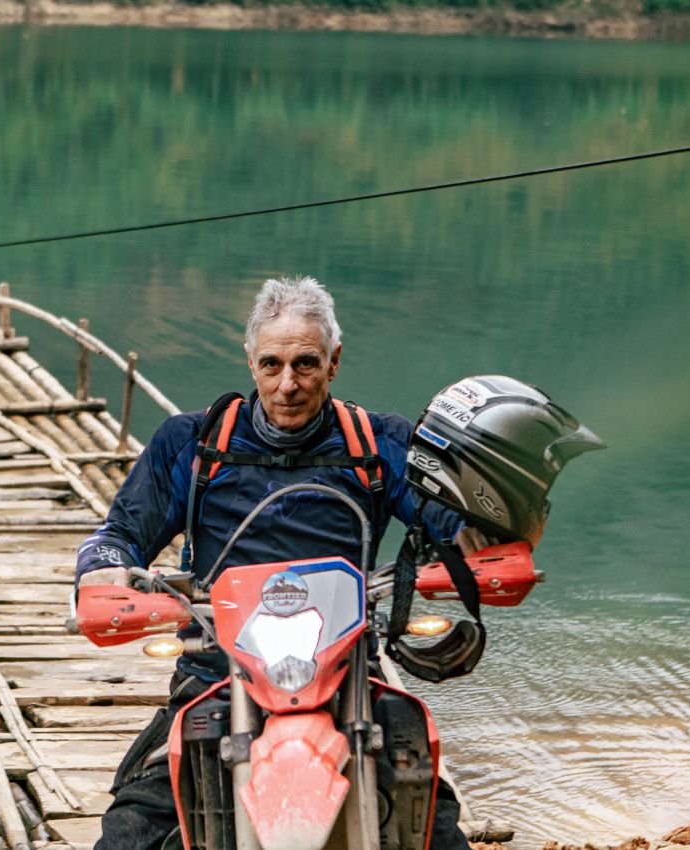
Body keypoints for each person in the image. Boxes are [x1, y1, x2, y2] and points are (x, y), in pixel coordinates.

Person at [75, 276, 476, 850]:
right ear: (250, 362)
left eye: (306, 364)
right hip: (215, 670)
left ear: (335, 362)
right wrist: (103, 572)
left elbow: (453, 525)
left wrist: (495, 531)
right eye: (271, 364)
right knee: (130, 831)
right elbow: (118, 534)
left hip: (346, 675)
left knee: (435, 827)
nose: (287, 384)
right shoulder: (191, 443)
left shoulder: (379, 445)